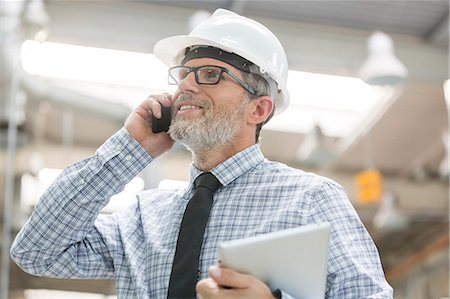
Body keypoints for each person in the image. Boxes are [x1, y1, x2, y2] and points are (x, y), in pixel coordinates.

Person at [11, 8, 393, 299]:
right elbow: (37, 252)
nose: (185, 87)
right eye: (183, 74)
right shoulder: (143, 218)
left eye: (210, 74)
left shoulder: (310, 201)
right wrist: (130, 150)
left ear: (258, 109)